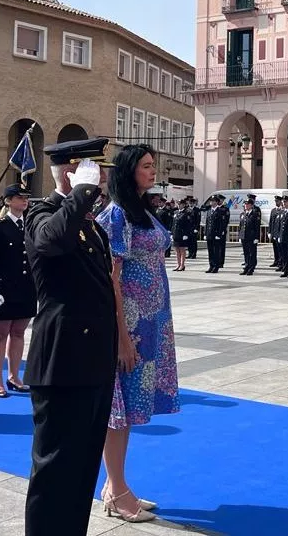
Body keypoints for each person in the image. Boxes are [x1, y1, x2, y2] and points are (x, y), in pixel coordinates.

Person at [23, 139, 118, 536]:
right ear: (70, 172)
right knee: (54, 469)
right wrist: (79, 193)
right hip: (62, 362)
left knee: (82, 467)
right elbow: (50, 242)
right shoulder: (41, 213)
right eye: (95, 172)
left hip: (93, 360)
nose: (103, 179)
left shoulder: (89, 223)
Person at [95, 144, 179, 523]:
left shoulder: (141, 209)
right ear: (129, 170)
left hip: (151, 320)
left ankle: (116, 485)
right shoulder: (116, 215)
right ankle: (117, 491)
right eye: (146, 166)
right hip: (129, 322)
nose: (152, 171)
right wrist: (122, 338)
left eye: (152, 165)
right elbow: (111, 278)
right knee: (119, 410)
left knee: (129, 408)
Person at [0, 184, 38, 398]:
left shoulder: (30, 225)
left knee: (18, 332)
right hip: (4, 289)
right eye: (19, 197)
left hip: (26, 287)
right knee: (0, 334)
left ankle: (14, 376)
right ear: (8, 201)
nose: (24, 200)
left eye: (26, 197)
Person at [205, 195, 229, 273]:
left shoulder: (220, 211)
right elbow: (207, 223)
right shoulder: (209, 211)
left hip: (216, 235)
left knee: (216, 251)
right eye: (211, 201)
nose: (211, 202)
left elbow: (222, 224)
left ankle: (216, 266)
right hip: (209, 234)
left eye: (213, 201)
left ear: (216, 202)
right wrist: (205, 234)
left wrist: (219, 234)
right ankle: (211, 265)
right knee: (210, 251)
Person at [239, 197, 260, 275]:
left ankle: (251, 268)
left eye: (247, 204)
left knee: (252, 253)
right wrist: (240, 236)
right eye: (245, 204)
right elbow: (241, 226)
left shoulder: (255, 214)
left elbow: (257, 227)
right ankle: (246, 267)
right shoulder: (243, 214)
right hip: (244, 237)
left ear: (251, 205)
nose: (246, 205)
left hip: (251, 237)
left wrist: (256, 237)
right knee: (246, 253)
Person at [171, 199, 193, 271]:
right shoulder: (176, 212)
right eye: (178, 204)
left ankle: (182, 265)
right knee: (176, 250)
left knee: (182, 250)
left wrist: (186, 234)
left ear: (183, 205)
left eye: (180, 204)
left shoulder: (186, 213)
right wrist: (172, 233)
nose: (178, 205)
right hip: (176, 233)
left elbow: (188, 225)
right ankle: (178, 264)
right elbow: (173, 224)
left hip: (182, 234)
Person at [269, 196, 284, 269]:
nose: (276, 202)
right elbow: (271, 222)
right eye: (275, 201)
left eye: (277, 201)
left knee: (280, 249)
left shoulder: (282, 210)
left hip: (279, 233)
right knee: (275, 248)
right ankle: (276, 261)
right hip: (274, 232)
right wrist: (269, 232)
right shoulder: (273, 210)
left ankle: (281, 262)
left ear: (281, 201)